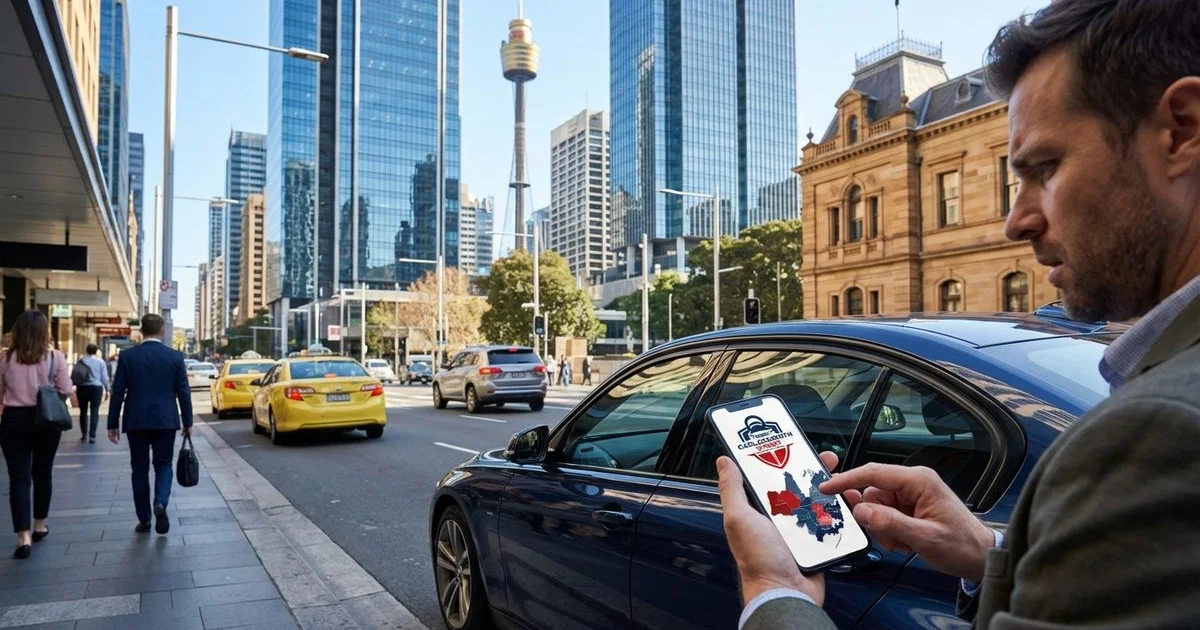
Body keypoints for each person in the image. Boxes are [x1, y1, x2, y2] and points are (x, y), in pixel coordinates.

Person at [723, 1, 1200, 628]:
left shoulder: (1155, 430)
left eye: (1045, 168)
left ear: (1182, 130)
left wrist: (773, 594)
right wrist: (992, 555)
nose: (1015, 219)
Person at [107, 314, 193, 535]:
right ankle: (161, 502)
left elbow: (118, 391)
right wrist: (188, 422)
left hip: (136, 420)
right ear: (162, 332)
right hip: (166, 420)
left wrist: (112, 422)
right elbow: (183, 391)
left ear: (141, 332)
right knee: (164, 464)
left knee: (139, 468)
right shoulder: (174, 357)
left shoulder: (127, 357)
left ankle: (144, 519)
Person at [0, 311, 71, 559]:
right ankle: (40, 525)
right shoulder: (55, 357)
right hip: (46, 420)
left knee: (18, 479)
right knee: (43, 473)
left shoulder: (5, 359)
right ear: (44, 332)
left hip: (13, 420)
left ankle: (23, 537)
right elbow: (66, 389)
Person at [73, 344, 109, 444]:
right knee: (94, 411)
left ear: (86, 350)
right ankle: (92, 435)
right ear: (96, 351)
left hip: (83, 387)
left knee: (83, 411)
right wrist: (108, 389)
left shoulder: (81, 361)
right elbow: (104, 378)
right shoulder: (100, 362)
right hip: (96, 388)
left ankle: (84, 434)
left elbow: (76, 373)